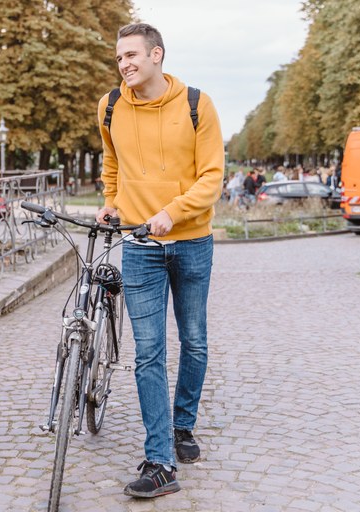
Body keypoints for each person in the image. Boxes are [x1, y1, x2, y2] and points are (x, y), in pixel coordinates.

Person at [96, 23, 223, 498]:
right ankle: (160, 460)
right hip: (138, 246)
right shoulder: (109, 107)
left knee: (193, 342)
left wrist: (173, 213)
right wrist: (111, 199)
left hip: (192, 242)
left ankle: (183, 424)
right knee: (147, 353)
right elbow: (111, 162)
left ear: (156, 55)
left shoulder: (196, 104)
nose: (124, 64)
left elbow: (212, 176)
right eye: (119, 57)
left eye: (131, 55)